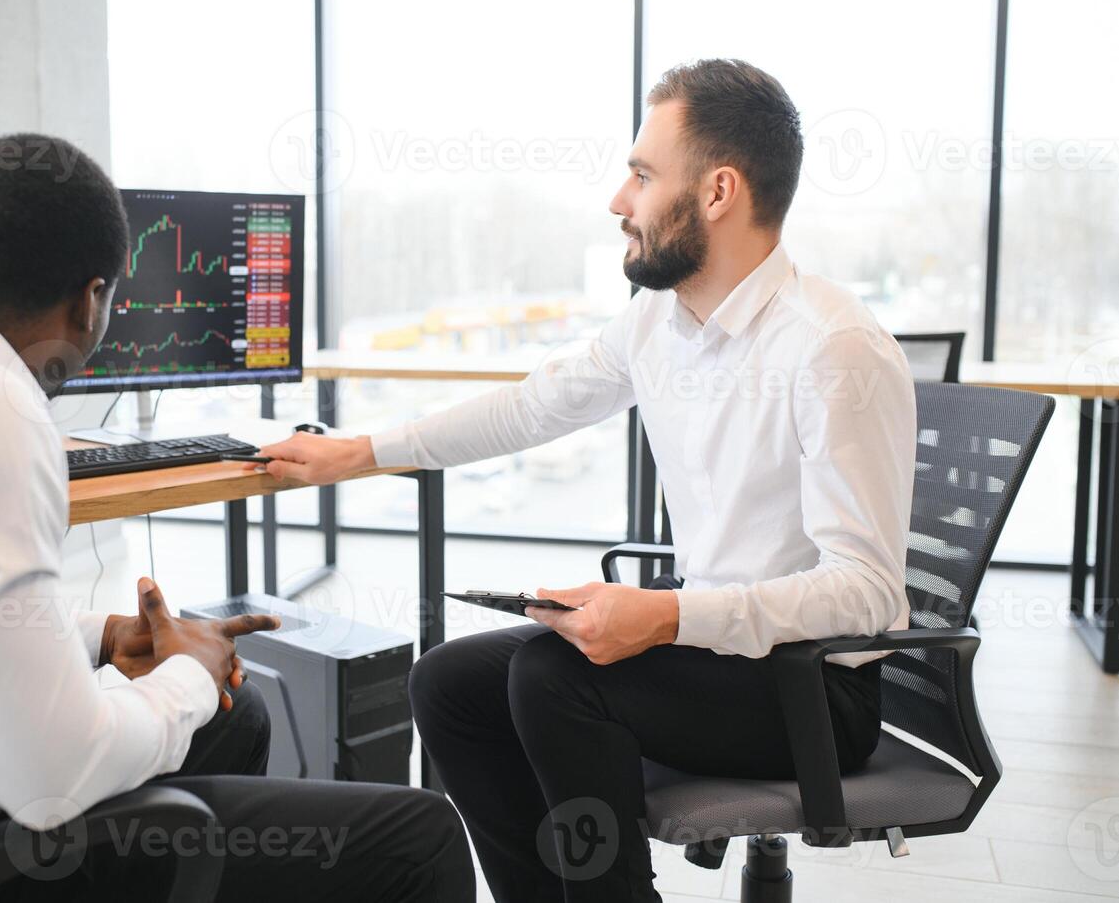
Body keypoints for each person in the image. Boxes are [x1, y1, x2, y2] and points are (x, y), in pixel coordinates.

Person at [0, 133, 473, 902]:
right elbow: (55, 774)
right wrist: (186, 670)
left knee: (233, 713)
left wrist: (108, 637)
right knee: (419, 836)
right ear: (89, 300)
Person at [257, 59, 916, 902]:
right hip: (715, 652)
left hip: (811, 687)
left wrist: (668, 613)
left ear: (717, 192)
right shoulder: (661, 322)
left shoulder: (830, 346)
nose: (618, 201)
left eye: (641, 175)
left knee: (554, 678)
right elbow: (533, 409)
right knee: (450, 683)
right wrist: (360, 453)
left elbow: (864, 594)